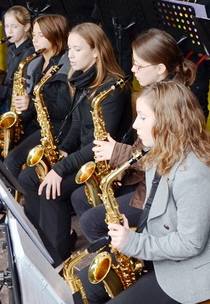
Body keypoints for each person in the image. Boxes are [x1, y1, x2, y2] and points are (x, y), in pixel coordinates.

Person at [74, 80, 210, 303]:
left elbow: (190, 244)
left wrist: (134, 243)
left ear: (168, 122)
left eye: (143, 117)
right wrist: (136, 243)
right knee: (79, 290)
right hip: (161, 252)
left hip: (190, 272)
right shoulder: (161, 152)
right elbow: (154, 212)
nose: (135, 125)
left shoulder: (194, 175)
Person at [20, 22, 131, 266]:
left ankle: (57, 255)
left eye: (77, 49)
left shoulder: (111, 89)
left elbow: (99, 144)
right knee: (28, 178)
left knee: (51, 189)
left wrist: (60, 169)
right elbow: (77, 126)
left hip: (104, 162)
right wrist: (63, 150)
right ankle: (50, 237)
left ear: (96, 51)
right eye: (69, 48)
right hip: (84, 155)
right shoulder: (83, 79)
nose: (70, 55)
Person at [77, 28, 196, 243]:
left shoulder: (172, 104)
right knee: (81, 197)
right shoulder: (157, 93)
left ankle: (124, 254)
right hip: (145, 180)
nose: (133, 69)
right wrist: (120, 166)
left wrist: (117, 152)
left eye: (139, 66)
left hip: (160, 192)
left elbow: (164, 162)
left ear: (160, 68)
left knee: (91, 221)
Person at [0, 14, 71, 231]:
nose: (35, 39)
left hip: (56, 129)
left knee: (12, 160)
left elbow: (64, 111)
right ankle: (1, 205)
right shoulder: (36, 62)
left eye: (41, 35)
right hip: (35, 123)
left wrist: (30, 103)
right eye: (35, 34)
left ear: (55, 36)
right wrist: (18, 119)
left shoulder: (65, 66)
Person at [0, 6, 36, 132]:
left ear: (26, 27)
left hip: (17, 111)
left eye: (14, 26)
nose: (9, 31)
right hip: (6, 103)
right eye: (6, 26)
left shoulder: (30, 54)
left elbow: (22, 93)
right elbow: (8, 81)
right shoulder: (12, 49)